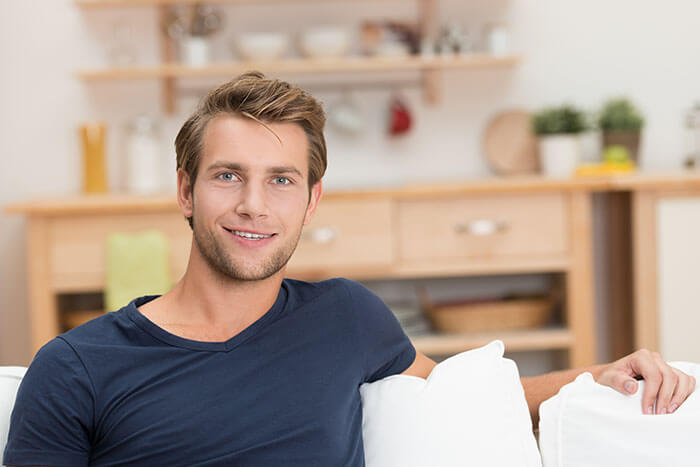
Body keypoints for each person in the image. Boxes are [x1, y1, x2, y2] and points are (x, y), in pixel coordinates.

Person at [4, 71, 696, 467]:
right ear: (185, 189)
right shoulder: (78, 367)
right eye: (227, 175)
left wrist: (598, 374)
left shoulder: (345, 317)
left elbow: (468, 396)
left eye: (281, 180)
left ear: (311, 202)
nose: (253, 204)